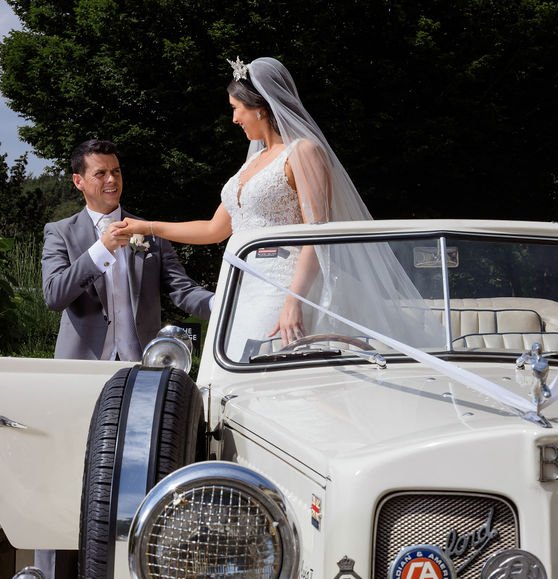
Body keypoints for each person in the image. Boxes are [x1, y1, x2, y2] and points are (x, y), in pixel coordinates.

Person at [116, 57, 379, 356]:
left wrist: (294, 301)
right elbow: (214, 229)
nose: (235, 119)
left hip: (282, 286)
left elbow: (316, 235)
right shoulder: (252, 163)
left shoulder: (303, 151)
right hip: (239, 287)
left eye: (236, 108)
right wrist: (147, 227)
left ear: (260, 107)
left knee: (261, 364)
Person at [43, 138, 213, 361]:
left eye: (116, 171)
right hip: (82, 366)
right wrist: (102, 250)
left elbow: (182, 289)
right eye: (101, 173)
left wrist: (221, 304)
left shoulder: (148, 230)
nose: (112, 179)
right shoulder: (60, 232)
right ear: (78, 181)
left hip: (140, 365)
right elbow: (54, 296)